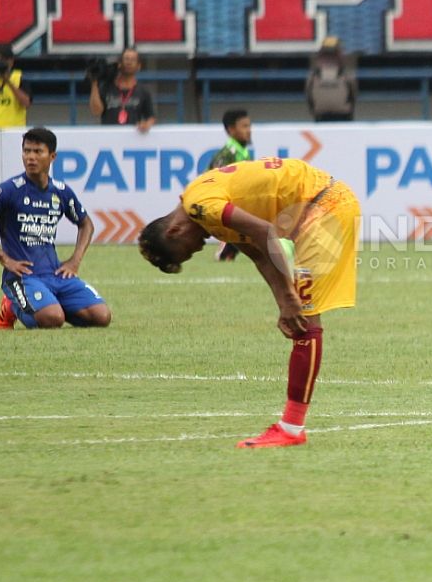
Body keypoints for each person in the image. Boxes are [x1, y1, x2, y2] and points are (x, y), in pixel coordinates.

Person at [137, 156, 360, 449]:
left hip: (324, 206)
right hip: (318, 203)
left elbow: (266, 233)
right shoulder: (200, 205)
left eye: (187, 252)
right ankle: (291, 427)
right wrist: (284, 300)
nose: (198, 249)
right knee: (300, 316)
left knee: (306, 323)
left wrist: (290, 298)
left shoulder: (201, 206)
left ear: (174, 232)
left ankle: (291, 429)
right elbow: (259, 253)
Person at [0, 127, 112, 330]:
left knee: (102, 317)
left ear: (52, 156)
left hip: (55, 274)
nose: (30, 157)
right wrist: (4, 258)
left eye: (37, 152)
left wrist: (75, 260)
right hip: (23, 276)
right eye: (26, 151)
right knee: (52, 319)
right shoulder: (9, 189)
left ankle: (51, 304)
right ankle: (11, 305)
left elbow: (86, 224)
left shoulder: (60, 191)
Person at [208, 109, 253, 261]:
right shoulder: (227, 154)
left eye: (249, 126)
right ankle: (227, 246)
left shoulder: (242, 152)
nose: (249, 130)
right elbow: (215, 180)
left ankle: (230, 248)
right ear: (231, 129)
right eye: (244, 126)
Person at [89, 47, 156, 133]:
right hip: (109, 136)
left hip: (132, 138)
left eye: (133, 60)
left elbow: (151, 116)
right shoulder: (107, 86)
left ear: (139, 66)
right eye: (126, 59)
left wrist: (147, 124)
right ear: (119, 63)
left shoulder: (143, 90)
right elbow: (96, 112)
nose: (129, 62)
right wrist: (94, 83)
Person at [305, 36, 357, 122]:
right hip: (343, 114)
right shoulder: (348, 75)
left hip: (320, 115)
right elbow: (353, 96)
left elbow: (309, 96)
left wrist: (314, 111)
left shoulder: (312, 76)